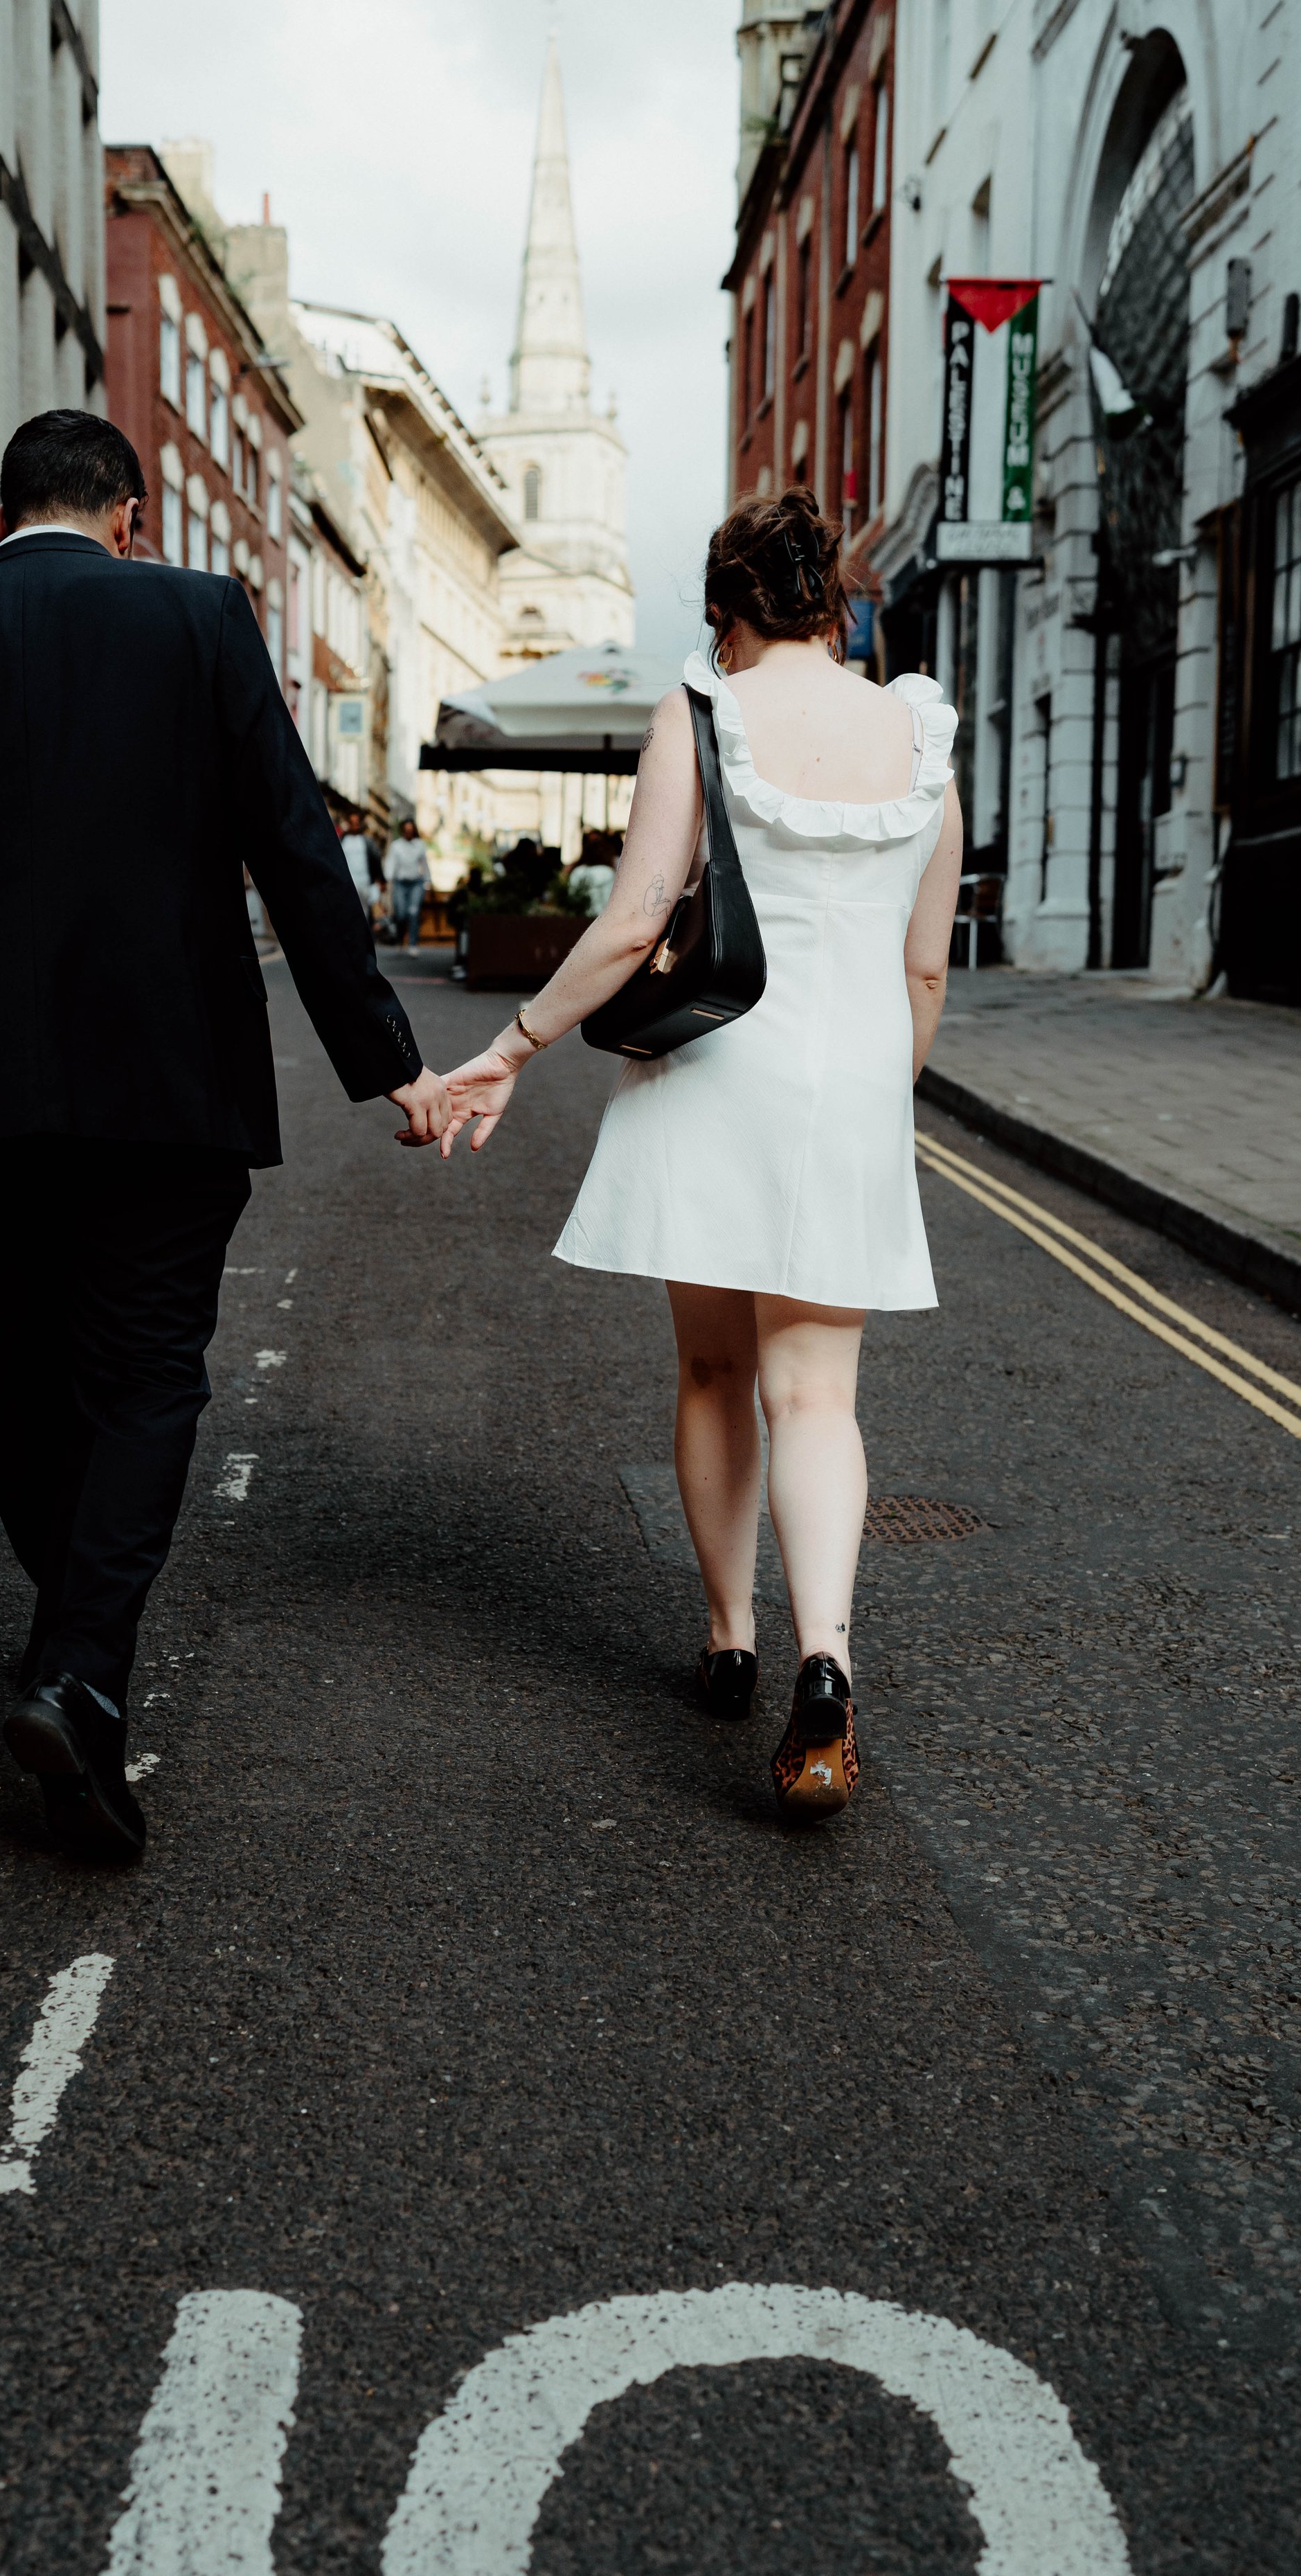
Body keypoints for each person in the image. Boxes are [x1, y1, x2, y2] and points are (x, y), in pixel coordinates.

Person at [0, 410, 450, 1863]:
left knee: (24, 1377)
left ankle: (61, 1648)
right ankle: (81, 1672)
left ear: (11, 506)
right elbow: (293, 844)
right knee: (148, 1380)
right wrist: (387, 1062)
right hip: (167, 1090)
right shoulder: (199, 617)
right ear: (129, 514)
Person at [438, 488, 962, 1823]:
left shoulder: (706, 708)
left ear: (728, 615)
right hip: (852, 1080)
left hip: (716, 1062)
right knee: (818, 1395)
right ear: (840, 610)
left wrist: (511, 1044)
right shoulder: (923, 733)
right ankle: (826, 1661)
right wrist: (872, 1101)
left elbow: (632, 924)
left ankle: (731, 1638)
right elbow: (926, 968)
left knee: (714, 1367)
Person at [383, 818, 430, 954]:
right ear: (402, 831)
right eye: (406, 830)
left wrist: (428, 882)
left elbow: (425, 864)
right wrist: (387, 879)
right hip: (400, 883)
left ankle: (413, 943)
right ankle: (399, 938)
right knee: (401, 913)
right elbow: (391, 863)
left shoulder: (420, 845)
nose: (409, 833)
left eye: (411, 830)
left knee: (414, 912)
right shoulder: (396, 846)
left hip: (416, 883)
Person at [339, 810, 380, 918]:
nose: (355, 825)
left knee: (364, 913)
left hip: (364, 882)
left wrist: (379, 880)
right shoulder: (342, 841)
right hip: (348, 883)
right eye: (352, 822)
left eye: (357, 822)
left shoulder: (367, 841)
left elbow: (376, 860)